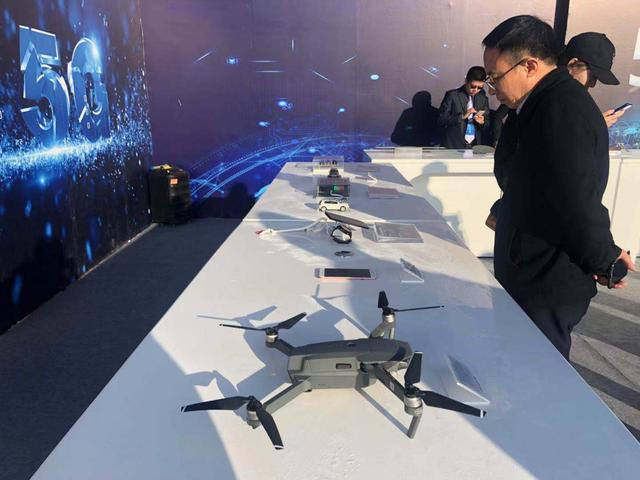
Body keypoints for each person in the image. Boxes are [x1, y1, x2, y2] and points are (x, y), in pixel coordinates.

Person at [482, 15, 635, 359]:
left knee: (538, 372)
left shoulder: (562, 108)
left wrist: (605, 259)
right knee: (522, 364)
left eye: (495, 77)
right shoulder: (535, 104)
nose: (492, 88)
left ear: (529, 66)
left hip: (546, 281)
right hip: (530, 269)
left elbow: (576, 202)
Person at [564, 32, 627, 128]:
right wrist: (596, 127)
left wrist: (596, 124)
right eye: (593, 76)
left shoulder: (565, 94)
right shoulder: (554, 97)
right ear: (573, 64)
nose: (593, 84)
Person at [438, 67, 491, 149]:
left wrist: (482, 122)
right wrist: (461, 116)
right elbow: (441, 119)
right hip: (454, 145)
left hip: (474, 145)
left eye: (480, 88)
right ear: (466, 81)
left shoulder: (483, 99)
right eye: (473, 86)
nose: (475, 90)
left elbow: (487, 123)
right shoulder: (452, 95)